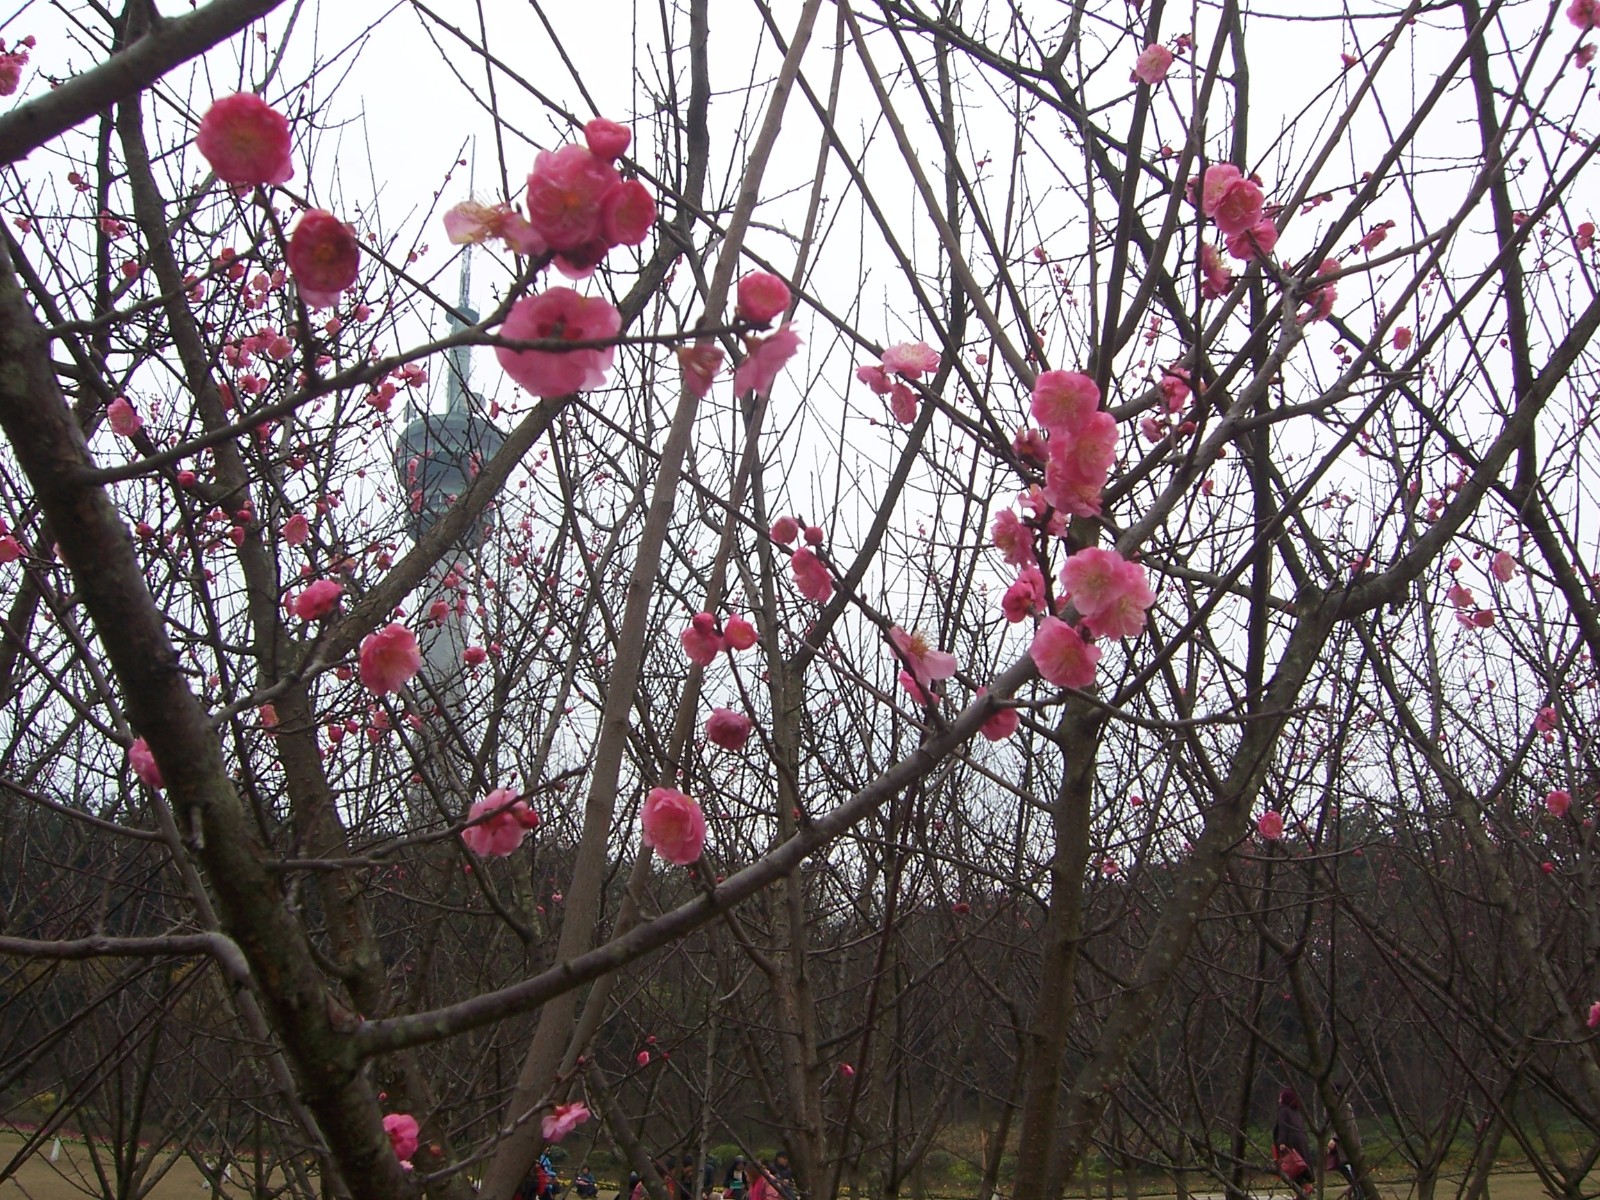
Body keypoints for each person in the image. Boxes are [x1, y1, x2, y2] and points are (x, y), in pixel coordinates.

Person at [1273, 1087, 1314, 1194]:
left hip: (1290, 1144)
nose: (1279, 1099)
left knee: (1290, 1171)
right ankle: (1305, 1188)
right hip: (1301, 1144)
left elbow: (1283, 1126)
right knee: (1299, 1169)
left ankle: (1305, 1189)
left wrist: (1281, 1142)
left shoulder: (1282, 1110)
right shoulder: (1296, 1112)